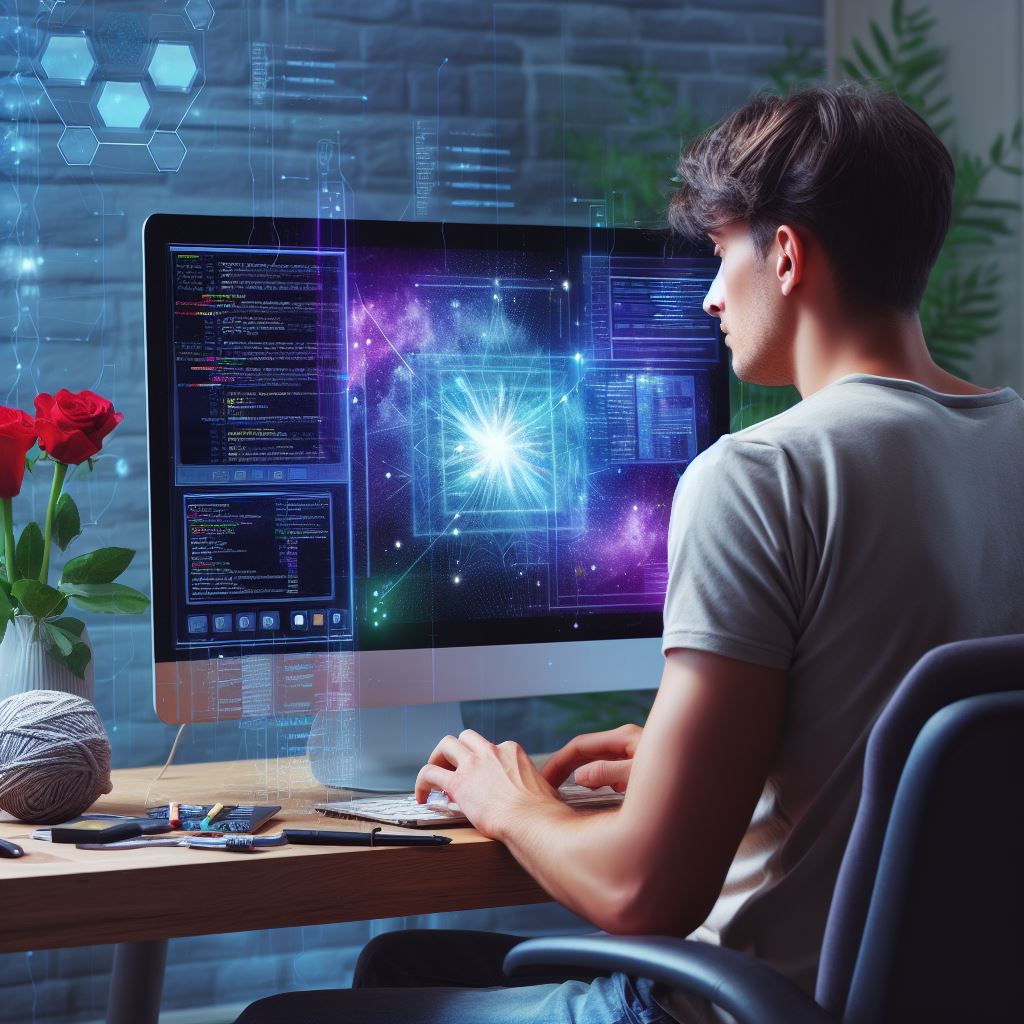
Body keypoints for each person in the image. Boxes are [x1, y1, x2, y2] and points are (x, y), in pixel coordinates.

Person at [236, 82, 1024, 1024]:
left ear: (784, 254)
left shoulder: (761, 474)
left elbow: (645, 894)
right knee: (404, 966)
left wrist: (509, 801)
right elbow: (920, 740)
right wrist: (729, 759)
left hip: (745, 1007)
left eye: (720, 250)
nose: (706, 294)